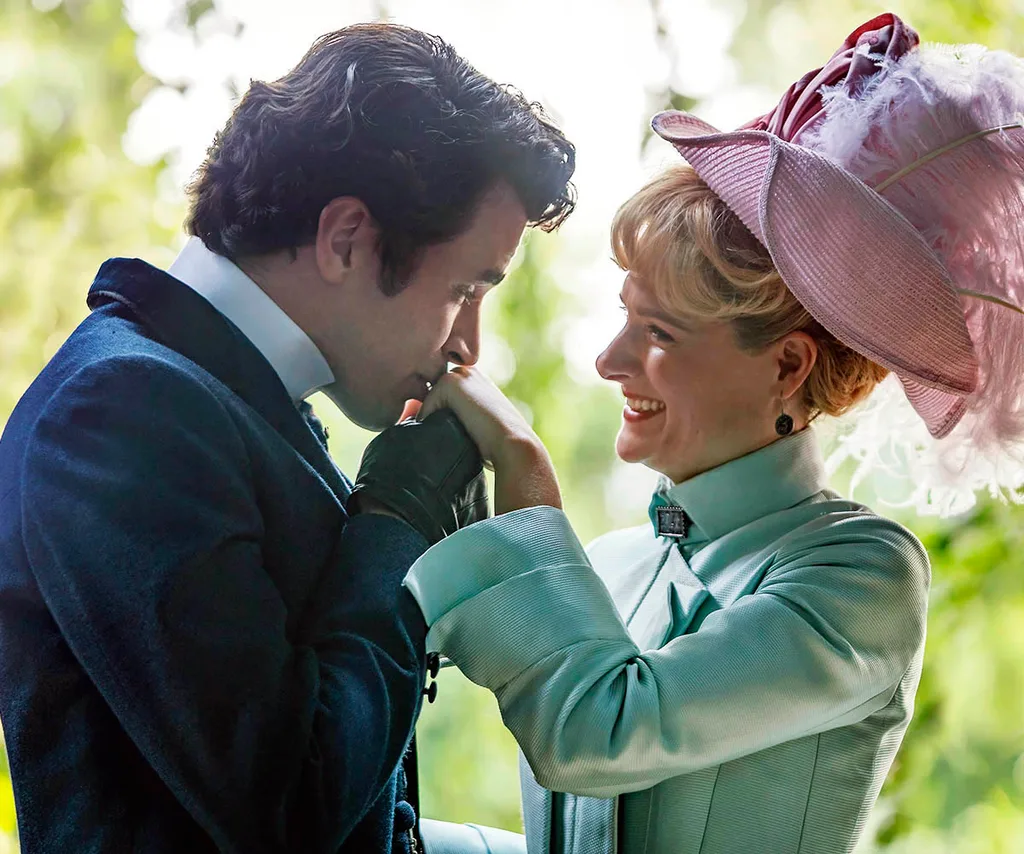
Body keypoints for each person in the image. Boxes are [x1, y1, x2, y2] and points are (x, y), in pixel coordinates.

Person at [377, 13, 1024, 854]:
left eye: (661, 334)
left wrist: (524, 473)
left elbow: (599, 733)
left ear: (787, 366)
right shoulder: (610, 564)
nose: (610, 361)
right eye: (623, 318)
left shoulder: (860, 573)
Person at [0, 22, 574, 854]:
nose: (469, 348)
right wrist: (398, 520)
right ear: (347, 239)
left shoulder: (226, 395)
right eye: (465, 289)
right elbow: (291, 808)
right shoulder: (121, 409)